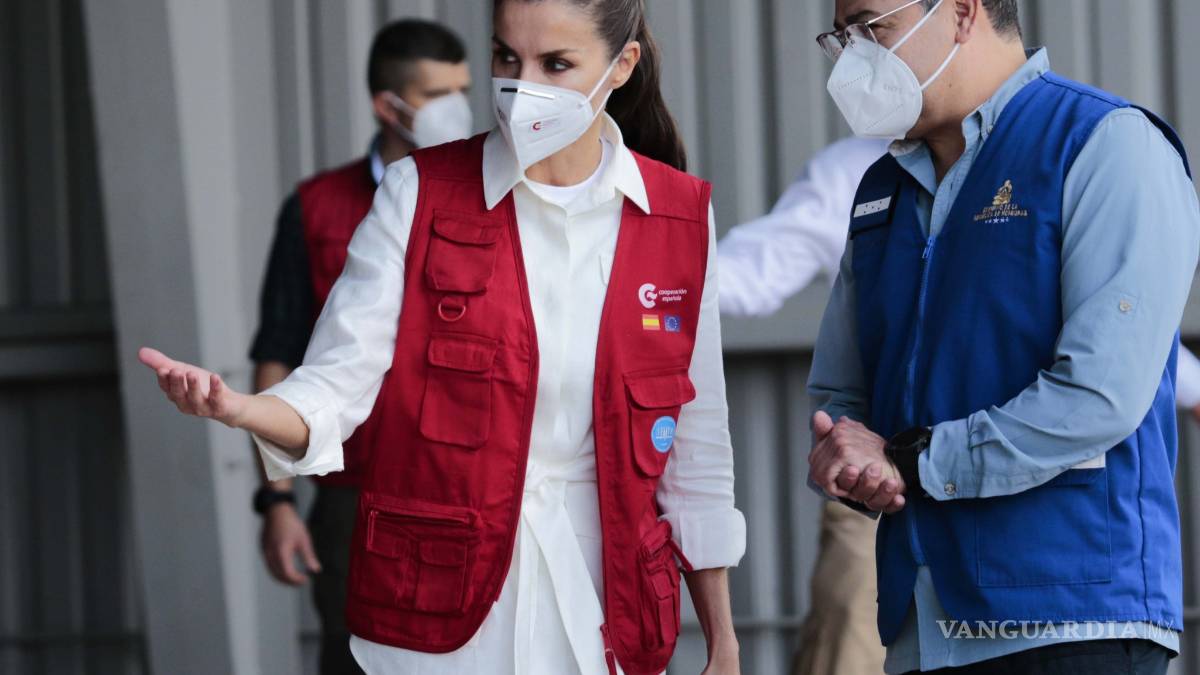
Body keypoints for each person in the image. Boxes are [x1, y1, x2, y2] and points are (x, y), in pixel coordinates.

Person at [140, 0, 746, 673]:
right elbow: (337, 382)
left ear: (622, 65)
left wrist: (722, 639)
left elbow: (696, 445)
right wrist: (244, 409)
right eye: (506, 58)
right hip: (438, 612)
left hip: (606, 601)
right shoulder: (416, 192)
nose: (522, 87)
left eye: (556, 64)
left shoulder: (680, 217)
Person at [807, 0, 1198, 673]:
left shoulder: (1104, 143)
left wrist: (913, 461)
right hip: (919, 629)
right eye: (842, 37)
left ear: (962, 13)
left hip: (1072, 622)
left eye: (873, 28)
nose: (854, 58)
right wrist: (848, 459)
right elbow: (842, 396)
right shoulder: (881, 191)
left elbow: (1099, 395)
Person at [247, 19, 472, 675]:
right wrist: (278, 501)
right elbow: (277, 353)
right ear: (388, 105)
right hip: (355, 494)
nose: (458, 109)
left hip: (466, 484)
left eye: (463, 91)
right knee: (355, 657)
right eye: (438, 95)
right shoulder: (317, 207)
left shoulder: (488, 197)